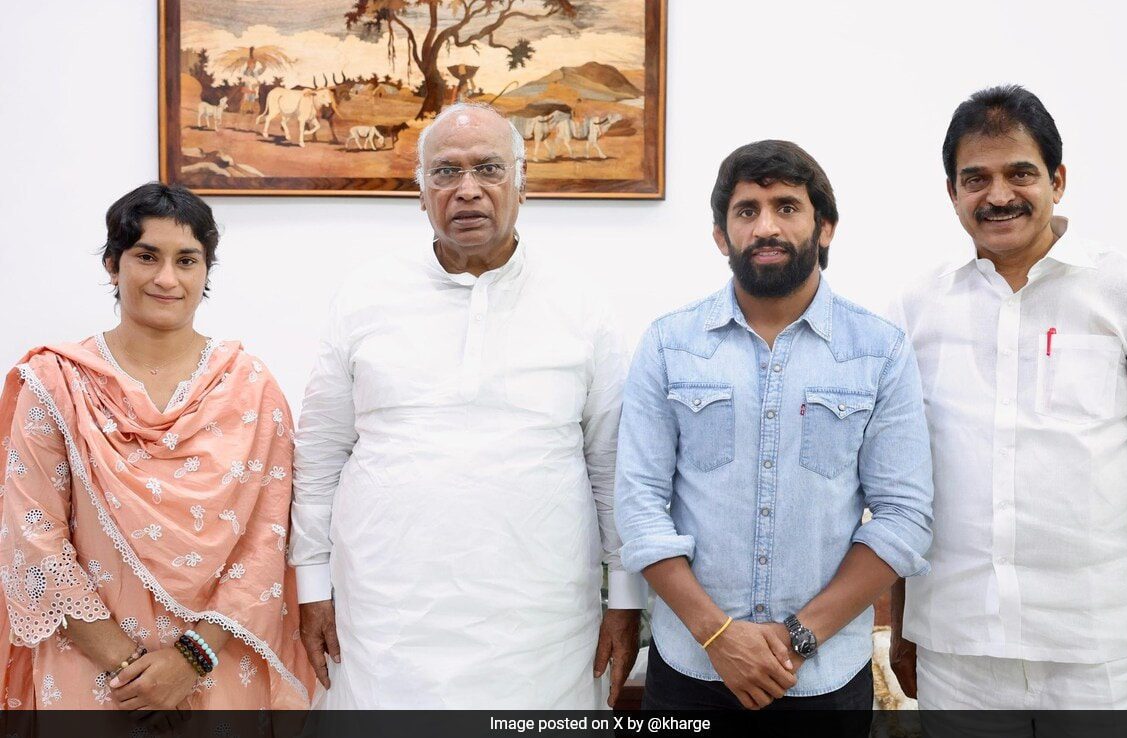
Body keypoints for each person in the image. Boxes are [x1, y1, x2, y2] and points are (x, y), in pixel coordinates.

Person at [289, 102, 645, 709]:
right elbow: (319, 454)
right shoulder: (364, 297)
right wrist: (312, 585)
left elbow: (614, 465)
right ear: (420, 193)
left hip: (542, 619)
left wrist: (627, 600)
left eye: (488, 168)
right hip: (385, 615)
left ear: (522, 184)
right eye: (446, 173)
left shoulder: (581, 305)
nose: (468, 190)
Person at [890, 85, 1127, 715]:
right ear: (951, 192)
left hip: (1099, 650)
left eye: (1020, 173)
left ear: (1057, 180)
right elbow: (898, 477)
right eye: (975, 178)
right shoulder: (914, 309)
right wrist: (901, 627)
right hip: (956, 645)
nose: (998, 195)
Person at [614, 140, 933, 727]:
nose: (766, 226)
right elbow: (638, 507)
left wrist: (797, 640)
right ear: (720, 236)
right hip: (691, 671)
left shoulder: (879, 351)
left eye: (787, 207)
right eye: (746, 210)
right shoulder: (668, 344)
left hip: (824, 678)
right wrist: (720, 638)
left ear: (826, 228)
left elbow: (903, 516)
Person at [0, 183, 314, 713]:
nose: (167, 278)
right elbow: (33, 538)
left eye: (187, 260)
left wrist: (188, 661)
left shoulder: (249, 388)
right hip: (90, 667)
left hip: (219, 662)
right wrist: (131, 671)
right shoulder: (57, 384)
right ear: (112, 264)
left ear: (205, 272)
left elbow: (267, 541)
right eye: (147, 256)